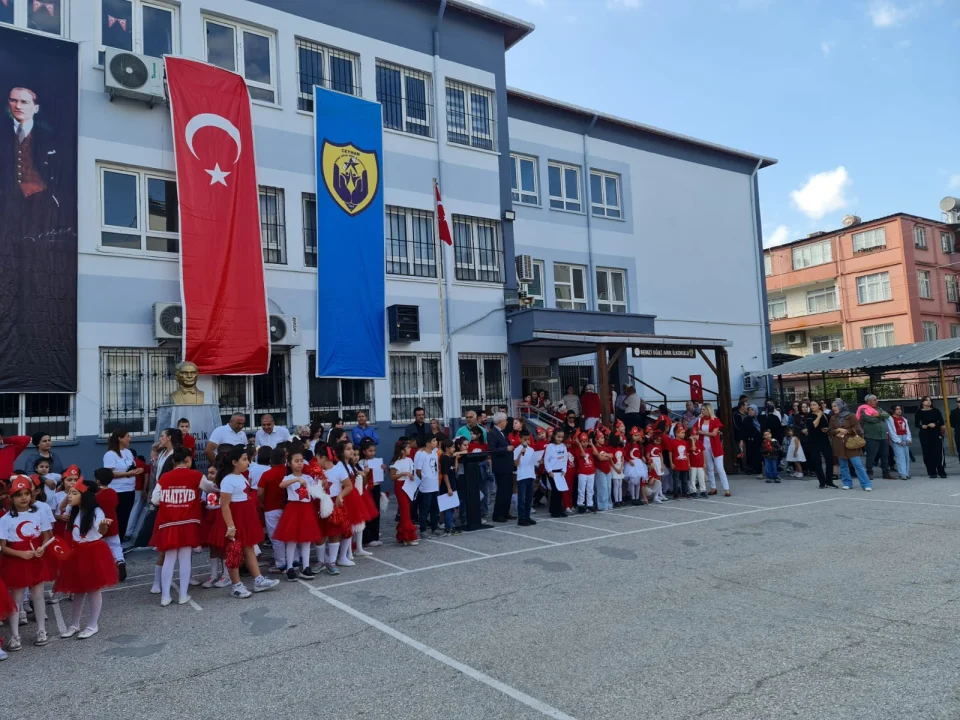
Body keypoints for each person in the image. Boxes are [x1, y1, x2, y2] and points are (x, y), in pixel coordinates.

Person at [56, 478, 120, 639]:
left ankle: (93, 625)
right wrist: (71, 491)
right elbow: (60, 508)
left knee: (93, 589)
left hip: (92, 552)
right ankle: (74, 624)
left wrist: (104, 525)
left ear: (84, 496)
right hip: (76, 552)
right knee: (78, 590)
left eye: (74, 493)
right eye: (69, 493)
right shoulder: (74, 510)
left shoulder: (96, 512)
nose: (69, 496)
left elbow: (102, 529)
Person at [213, 447, 279, 598]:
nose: (248, 462)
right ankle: (236, 585)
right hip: (235, 520)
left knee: (249, 548)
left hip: (246, 518)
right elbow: (224, 505)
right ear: (234, 462)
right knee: (234, 552)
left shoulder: (241, 477)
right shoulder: (228, 480)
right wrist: (230, 526)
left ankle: (258, 580)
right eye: (244, 460)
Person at [0, 475, 53, 650]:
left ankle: (41, 630)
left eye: (26, 493)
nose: (23, 498)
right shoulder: (5, 519)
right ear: (11, 498)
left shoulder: (38, 512)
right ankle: (15, 636)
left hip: (36, 558)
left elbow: (46, 535)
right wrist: (21, 554)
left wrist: (42, 548)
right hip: (16, 561)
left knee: (38, 595)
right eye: (18, 494)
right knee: (16, 598)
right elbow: (3, 547)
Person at [148, 447, 203, 606]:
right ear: (188, 460)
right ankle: (183, 595)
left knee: (169, 559)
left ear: (173, 462)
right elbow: (210, 488)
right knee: (185, 558)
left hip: (168, 523)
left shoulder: (165, 478)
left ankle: (165, 596)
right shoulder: (195, 475)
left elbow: (155, 500)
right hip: (188, 523)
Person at [274, 448, 323, 582]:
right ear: (289, 463)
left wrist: (320, 482)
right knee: (292, 541)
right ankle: (290, 568)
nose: (299, 463)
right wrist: (296, 480)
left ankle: (306, 567)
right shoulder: (288, 477)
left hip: (306, 510)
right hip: (293, 510)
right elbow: (281, 485)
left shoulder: (308, 477)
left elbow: (314, 491)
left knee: (306, 541)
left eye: (301, 461)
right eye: (296, 461)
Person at [102, 428, 142, 541]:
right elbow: (108, 474)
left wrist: (137, 470)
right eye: (127, 436)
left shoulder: (128, 452)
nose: (130, 438)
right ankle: (114, 542)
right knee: (117, 518)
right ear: (120, 438)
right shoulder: (110, 454)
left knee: (125, 518)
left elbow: (131, 467)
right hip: (117, 491)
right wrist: (126, 474)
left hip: (129, 489)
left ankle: (120, 542)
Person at [829, 399, 872, 491]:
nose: (833, 408)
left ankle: (866, 484)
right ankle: (847, 483)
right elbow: (830, 431)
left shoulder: (851, 415)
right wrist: (837, 430)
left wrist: (847, 431)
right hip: (839, 444)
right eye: (832, 406)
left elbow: (857, 427)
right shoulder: (833, 418)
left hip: (851, 442)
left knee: (858, 465)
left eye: (835, 406)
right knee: (843, 465)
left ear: (841, 406)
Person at [257, 447, 288, 573]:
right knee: (290, 536)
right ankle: (294, 560)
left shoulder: (267, 474)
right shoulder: (288, 472)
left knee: (276, 538)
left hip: (271, 509)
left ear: (271, 460)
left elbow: (260, 493)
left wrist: (264, 502)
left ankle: (281, 563)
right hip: (287, 507)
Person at [92, 468, 124, 580]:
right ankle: (120, 560)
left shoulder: (96, 496)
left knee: (101, 549)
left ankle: (104, 570)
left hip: (100, 525)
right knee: (116, 546)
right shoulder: (113, 493)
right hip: (113, 523)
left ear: (97, 480)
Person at [389, 439, 419, 547]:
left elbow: (412, 472)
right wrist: (404, 473)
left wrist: (411, 476)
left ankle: (402, 535)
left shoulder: (410, 460)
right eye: (407, 448)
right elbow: (392, 477)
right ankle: (408, 537)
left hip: (408, 485)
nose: (410, 449)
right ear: (402, 451)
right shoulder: (395, 463)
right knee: (405, 510)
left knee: (407, 510)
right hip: (400, 486)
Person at [487, 412, 516, 523]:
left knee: (508, 490)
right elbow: (492, 449)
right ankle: (498, 514)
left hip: (507, 465)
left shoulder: (502, 433)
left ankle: (505, 512)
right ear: (500, 422)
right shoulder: (493, 433)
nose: (507, 422)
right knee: (502, 491)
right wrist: (505, 449)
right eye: (505, 420)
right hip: (501, 466)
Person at [697, 404, 730, 497]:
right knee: (709, 467)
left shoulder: (715, 420)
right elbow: (694, 428)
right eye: (701, 409)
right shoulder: (700, 420)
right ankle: (713, 487)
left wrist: (702, 433)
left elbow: (714, 434)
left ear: (708, 410)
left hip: (715, 446)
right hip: (705, 446)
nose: (702, 411)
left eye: (703, 409)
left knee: (719, 467)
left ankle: (726, 488)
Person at [858, 395, 892, 480]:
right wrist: (880, 418)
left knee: (885, 455)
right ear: (868, 401)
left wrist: (878, 415)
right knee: (871, 455)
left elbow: (887, 415)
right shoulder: (864, 409)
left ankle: (886, 473)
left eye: (876, 400)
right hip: (871, 436)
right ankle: (869, 472)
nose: (877, 401)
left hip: (883, 436)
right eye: (874, 400)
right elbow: (867, 419)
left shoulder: (879, 409)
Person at [414, 434, 441, 537]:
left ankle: (434, 527)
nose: (436, 443)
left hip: (434, 484)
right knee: (424, 507)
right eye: (434, 441)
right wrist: (424, 479)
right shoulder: (422, 455)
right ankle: (423, 529)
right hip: (426, 486)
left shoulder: (434, 453)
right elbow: (418, 470)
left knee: (434, 507)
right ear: (428, 443)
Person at [915, 396, 947, 478]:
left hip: (936, 433)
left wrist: (935, 424)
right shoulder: (919, 412)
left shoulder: (936, 411)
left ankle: (941, 471)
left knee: (938, 452)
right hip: (925, 434)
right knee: (927, 453)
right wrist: (922, 426)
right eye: (926, 400)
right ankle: (932, 472)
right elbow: (916, 424)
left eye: (930, 400)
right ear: (922, 402)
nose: (929, 402)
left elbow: (941, 422)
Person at [805, 400, 834, 489]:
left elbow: (830, 426)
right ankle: (822, 482)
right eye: (811, 405)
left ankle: (829, 482)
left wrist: (827, 429)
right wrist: (818, 416)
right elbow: (813, 426)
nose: (812, 406)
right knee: (817, 462)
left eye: (814, 404)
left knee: (829, 460)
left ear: (819, 406)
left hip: (824, 440)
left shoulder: (826, 415)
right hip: (813, 441)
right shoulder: (809, 416)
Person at [513, 429, 538, 526]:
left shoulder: (531, 450)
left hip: (530, 475)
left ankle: (527, 516)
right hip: (522, 476)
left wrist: (539, 461)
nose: (527, 441)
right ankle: (521, 518)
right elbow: (516, 463)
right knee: (522, 498)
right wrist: (520, 453)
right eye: (524, 439)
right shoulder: (517, 449)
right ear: (520, 439)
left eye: (528, 439)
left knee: (529, 498)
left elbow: (533, 462)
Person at [544, 427, 569, 518]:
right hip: (552, 472)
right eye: (558, 437)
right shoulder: (550, 447)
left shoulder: (563, 446)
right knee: (555, 491)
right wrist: (549, 471)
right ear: (554, 436)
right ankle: (554, 511)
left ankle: (560, 509)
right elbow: (546, 460)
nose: (560, 439)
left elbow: (565, 459)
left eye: (561, 437)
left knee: (560, 491)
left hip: (560, 471)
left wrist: (564, 470)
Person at [887, 405, 912, 480]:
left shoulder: (904, 419)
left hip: (904, 437)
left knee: (906, 456)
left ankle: (906, 473)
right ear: (893, 410)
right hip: (897, 438)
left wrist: (908, 439)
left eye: (900, 409)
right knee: (900, 456)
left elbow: (907, 429)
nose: (899, 410)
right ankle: (902, 474)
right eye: (897, 409)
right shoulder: (890, 419)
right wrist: (898, 440)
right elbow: (891, 431)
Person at [742, 405, 763, 478]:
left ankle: (759, 469)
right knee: (751, 454)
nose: (750, 411)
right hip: (750, 440)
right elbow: (744, 431)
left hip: (760, 440)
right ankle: (751, 468)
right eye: (749, 410)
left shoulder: (760, 418)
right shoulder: (746, 420)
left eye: (752, 410)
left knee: (759, 455)